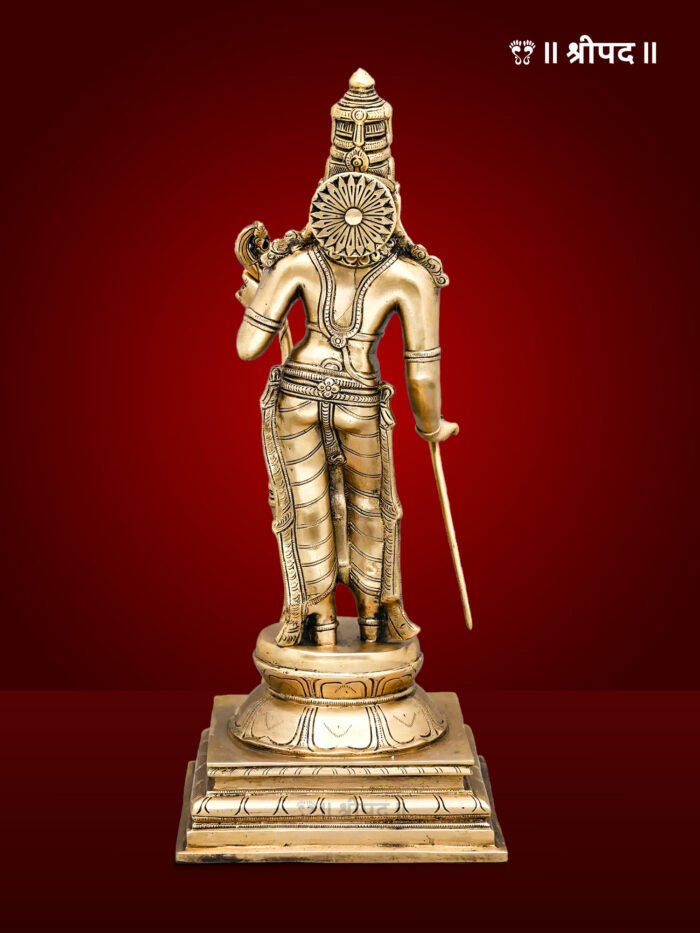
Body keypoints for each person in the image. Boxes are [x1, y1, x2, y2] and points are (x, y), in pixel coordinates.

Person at [235, 69, 458, 647]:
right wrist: (431, 426)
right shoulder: (410, 276)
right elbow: (421, 376)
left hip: (296, 394)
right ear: (392, 190)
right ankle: (378, 619)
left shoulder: (297, 261)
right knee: (371, 507)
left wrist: (258, 295)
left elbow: (247, 346)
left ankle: (320, 623)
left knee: (306, 506)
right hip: (360, 397)